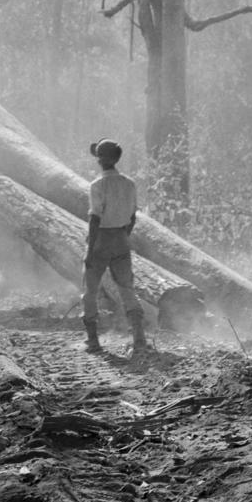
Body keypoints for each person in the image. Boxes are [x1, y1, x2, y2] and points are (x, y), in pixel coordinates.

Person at [82, 138, 148, 354]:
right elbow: (132, 217)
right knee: (127, 288)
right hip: (121, 238)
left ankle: (93, 340)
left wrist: (90, 251)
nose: (98, 159)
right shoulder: (129, 183)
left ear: (102, 159)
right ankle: (139, 339)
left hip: (101, 239)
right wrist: (123, 236)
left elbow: (95, 219)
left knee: (90, 289)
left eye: (99, 155)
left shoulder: (97, 185)